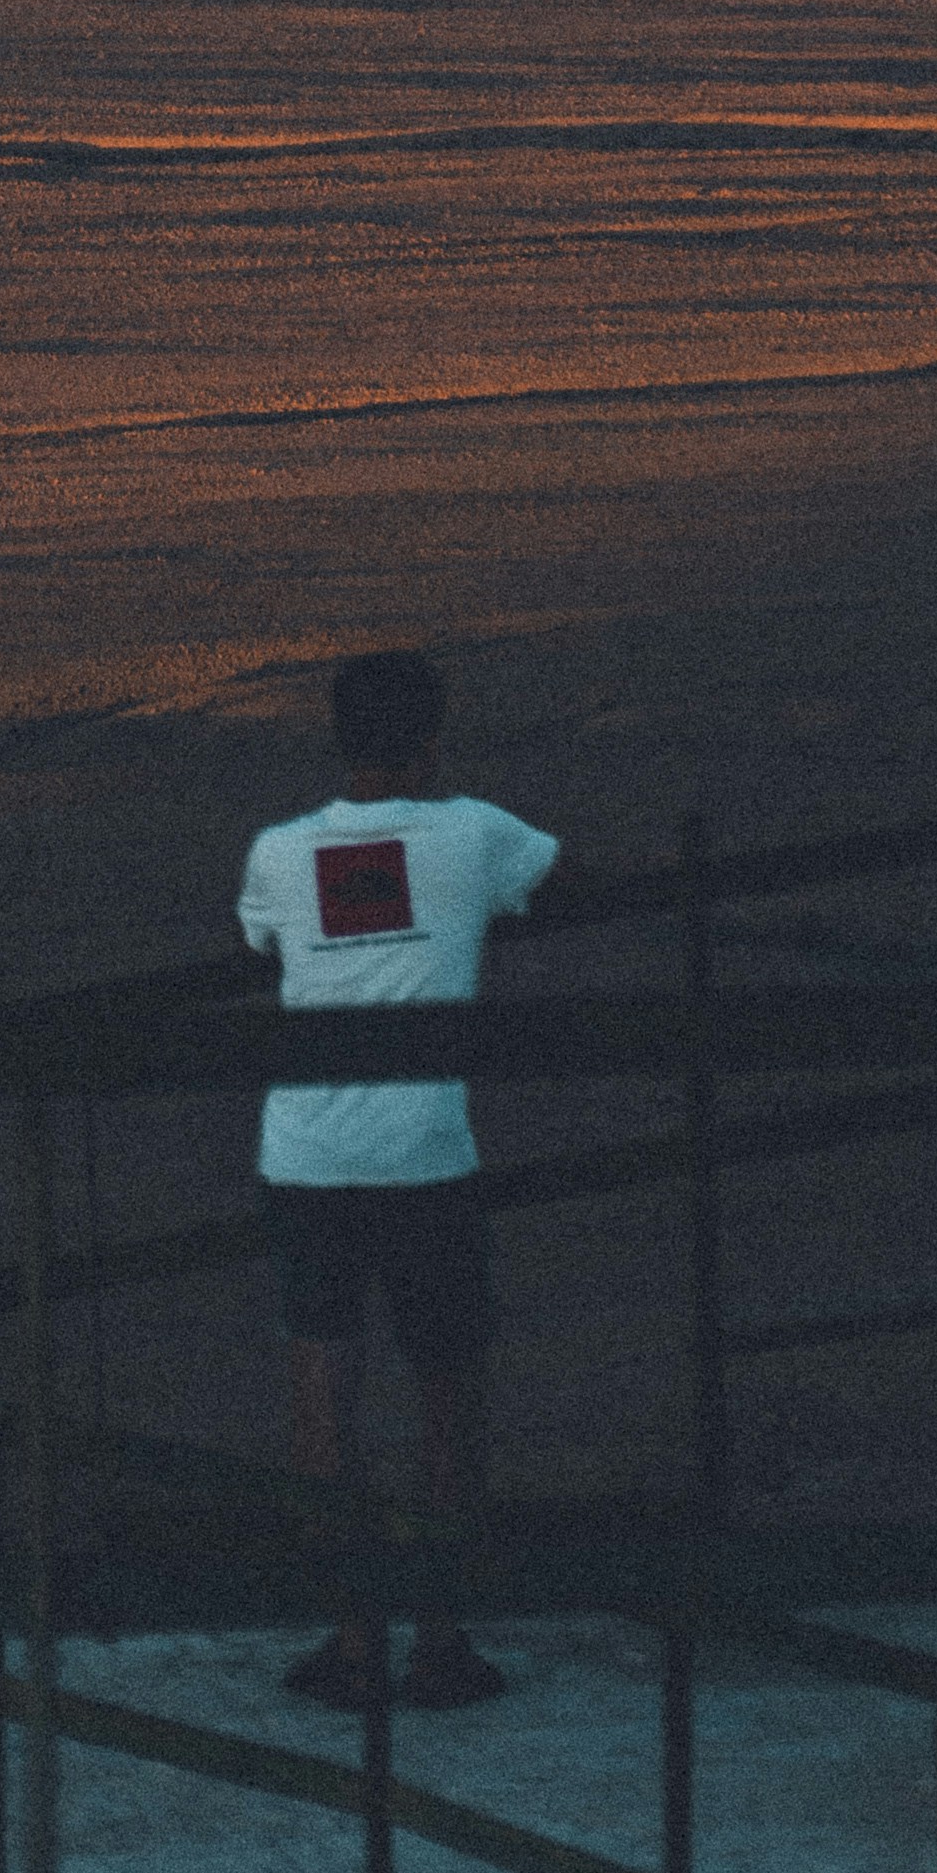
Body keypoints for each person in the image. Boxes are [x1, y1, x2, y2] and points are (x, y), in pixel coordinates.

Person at [237, 649, 559, 1716]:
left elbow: (261, 940)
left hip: (309, 1155)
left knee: (323, 1397)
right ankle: (440, 1638)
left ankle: (351, 1637)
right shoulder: (476, 834)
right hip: (425, 1154)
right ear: (432, 739)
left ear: (338, 739)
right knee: (448, 1397)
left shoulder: (278, 851)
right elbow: (551, 878)